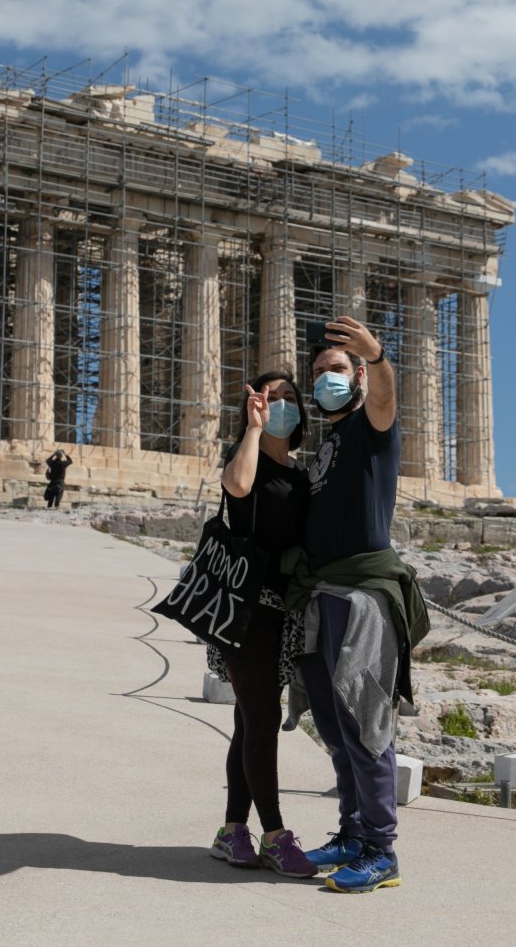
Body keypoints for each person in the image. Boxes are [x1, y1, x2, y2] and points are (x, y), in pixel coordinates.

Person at [282, 315, 427, 894]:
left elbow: (388, 398)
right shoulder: (327, 444)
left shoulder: (372, 428)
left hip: (363, 596)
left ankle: (381, 850)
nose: (326, 377)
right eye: (319, 370)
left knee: (366, 723)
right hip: (321, 596)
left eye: (337, 368)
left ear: (358, 376)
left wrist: (379, 356)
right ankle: (351, 832)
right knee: (334, 727)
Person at [205, 371, 318, 879]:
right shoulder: (245, 457)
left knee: (248, 721)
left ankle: (232, 831)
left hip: (283, 612)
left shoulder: (303, 475)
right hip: (244, 609)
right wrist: (253, 429)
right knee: (264, 720)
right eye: (272, 397)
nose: (282, 404)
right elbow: (238, 486)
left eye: (290, 397)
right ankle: (274, 835)